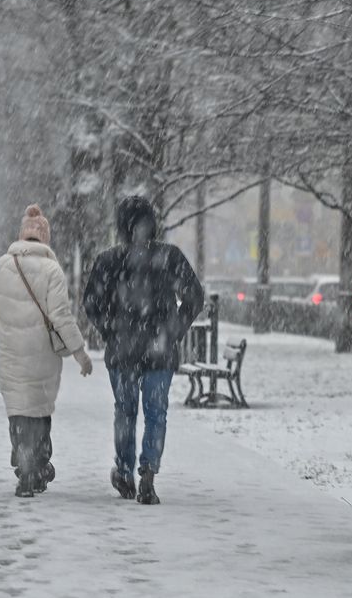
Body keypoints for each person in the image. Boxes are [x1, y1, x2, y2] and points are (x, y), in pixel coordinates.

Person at [83, 195, 204, 504]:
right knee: (156, 413)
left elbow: (91, 303)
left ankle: (124, 470)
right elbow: (194, 297)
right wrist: (172, 330)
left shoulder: (109, 261)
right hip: (159, 350)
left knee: (125, 412)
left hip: (123, 350)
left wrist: (111, 330)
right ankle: (148, 471)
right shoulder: (169, 257)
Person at [0, 204, 94, 497]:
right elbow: (61, 316)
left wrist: (1, 327)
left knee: (18, 410)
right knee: (40, 411)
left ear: (21, 235)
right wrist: (80, 353)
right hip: (43, 355)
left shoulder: (1, 266)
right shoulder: (52, 269)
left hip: (10, 355)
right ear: (44, 238)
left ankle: (24, 462)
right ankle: (39, 463)